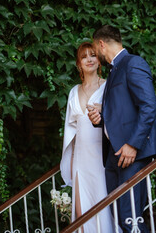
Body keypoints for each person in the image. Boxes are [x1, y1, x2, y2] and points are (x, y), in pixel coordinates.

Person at [88, 25, 156, 232]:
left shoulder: (133, 63)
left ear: (101, 44)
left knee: (130, 216)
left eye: (96, 50)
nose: (97, 55)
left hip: (131, 153)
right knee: (120, 215)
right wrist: (100, 118)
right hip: (114, 155)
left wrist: (133, 144)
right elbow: (122, 111)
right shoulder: (115, 69)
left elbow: (149, 106)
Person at [60, 42, 116, 232]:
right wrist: (71, 163)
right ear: (79, 64)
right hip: (80, 162)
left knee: (103, 206)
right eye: (84, 57)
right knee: (82, 212)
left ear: (99, 60)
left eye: (92, 55)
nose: (89, 60)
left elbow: (117, 119)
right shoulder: (73, 92)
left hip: (102, 158)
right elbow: (71, 133)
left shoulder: (108, 87)